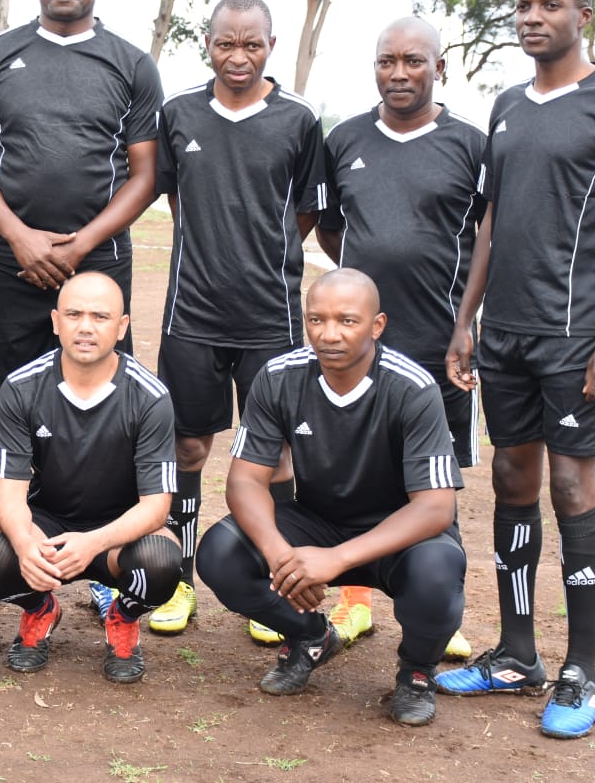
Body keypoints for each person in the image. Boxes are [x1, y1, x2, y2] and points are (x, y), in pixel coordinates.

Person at [437, 0, 595, 740]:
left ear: (583, 16)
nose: (531, 17)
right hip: (504, 334)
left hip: (578, 338)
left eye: (549, 5)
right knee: (511, 477)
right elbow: (492, 223)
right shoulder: (506, 106)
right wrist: (466, 320)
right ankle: (516, 655)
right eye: (523, 6)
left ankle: (582, 671)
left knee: (571, 487)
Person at [0, 0, 162, 614]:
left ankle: (103, 561)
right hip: (11, 264)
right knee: (9, 397)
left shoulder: (131, 64)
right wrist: (18, 236)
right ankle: (17, 548)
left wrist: (82, 246)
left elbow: (145, 174)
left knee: (104, 399)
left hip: (97, 263)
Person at [197, 269, 466, 728]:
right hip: (317, 521)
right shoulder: (280, 377)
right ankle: (311, 637)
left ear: (377, 326)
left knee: (437, 575)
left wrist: (336, 558)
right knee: (222, 553)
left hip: (398, 533)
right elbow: (245, 481)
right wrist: (281, 557)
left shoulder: (412, 387)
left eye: (347, 321)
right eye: (316, 320)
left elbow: (435, 507)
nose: (329, 334)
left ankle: (416, 671)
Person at [149, 0, 327, 636]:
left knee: (275, 456)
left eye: (252, 44)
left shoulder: (299, 120)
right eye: (226, 43)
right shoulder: (179, 113)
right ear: (208, 44)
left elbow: (305, 213)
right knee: (187, 445)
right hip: (192, 313)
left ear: (271, 46)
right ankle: (177, 583)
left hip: (270, 318)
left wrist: (260, 255)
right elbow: (176, 199)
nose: (239, 56)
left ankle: (272, 587)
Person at [317, 16, 485, 657]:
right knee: (355, 473)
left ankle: (442, 611)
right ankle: (354, 602)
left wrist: (466, 325)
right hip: (359, 349)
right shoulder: (346, 139)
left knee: (438, 482)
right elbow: (331, 228)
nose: (398, 73)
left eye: (414, 61)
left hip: (441, 345)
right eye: (386, 61)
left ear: (439, 67)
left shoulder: (470, 145)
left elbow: (489, 239)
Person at [0, 273, 181, 684]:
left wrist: (94, 542)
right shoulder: (21, 386)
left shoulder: (150, 395)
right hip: (47, 526)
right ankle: (39, 610)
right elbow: (9, 495)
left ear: (121, 327)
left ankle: (123, 618)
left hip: (118, 534)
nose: (86, 327)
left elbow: (156, 507)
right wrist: (25, 545)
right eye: (74, 315)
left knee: (161, 562)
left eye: (100, 317)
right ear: (55, 322)